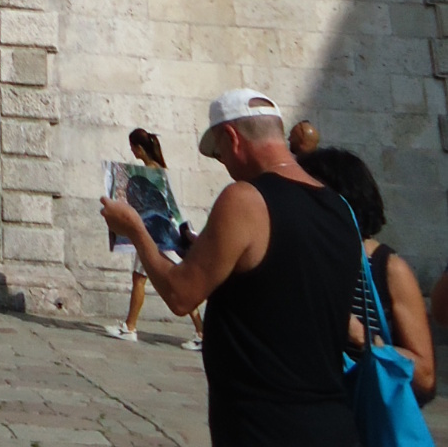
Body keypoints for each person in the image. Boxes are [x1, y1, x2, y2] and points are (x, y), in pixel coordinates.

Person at [101, 87, 358, 447]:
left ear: (232, 138)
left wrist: (135, 230)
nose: (224, 165)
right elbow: (284, 280)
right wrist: (205, 250)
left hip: (264, 426)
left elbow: (180, 295)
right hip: (333, 421)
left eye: (220, 154)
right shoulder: (340, 208)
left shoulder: (245, 200)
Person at [306, 146, 436, 402]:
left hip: (363, 414)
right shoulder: (302, 260)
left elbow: (425, 376)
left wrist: (362, 337)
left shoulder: (387, 269)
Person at [103, 128, 203, 349]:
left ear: (139, 148)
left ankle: (131, 327)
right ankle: (131, 326)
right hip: (159, 232)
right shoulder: (159, 170)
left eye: (132, 147)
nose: (132, 151)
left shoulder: (149, 173)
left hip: (153, 234)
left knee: (144, 279)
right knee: (142, 278)